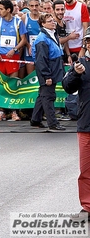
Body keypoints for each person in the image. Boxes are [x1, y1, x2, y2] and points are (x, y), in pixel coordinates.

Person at [62, 27, 90, 217]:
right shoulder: (80, 64)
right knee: (86, 170)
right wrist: (75, 73)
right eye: (89, 41)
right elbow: (67, 87)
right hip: (86, 125)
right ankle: (87, 207)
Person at [0, 0, 27, 121]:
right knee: (1, 84)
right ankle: (1, 111)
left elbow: (23, 39)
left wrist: (15, 49)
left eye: (1, 9)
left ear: (8, 10)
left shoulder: (18, 22)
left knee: (13, 84)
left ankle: (14, 111)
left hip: (13, 57)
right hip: (0, 57)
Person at [30, 13, 65, 131]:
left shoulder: (51, 34)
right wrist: (47, 76)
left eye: (53, 21)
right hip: (48, 69)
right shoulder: (42, 39)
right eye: (50, 21)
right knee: (49, 96)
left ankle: (35, 119)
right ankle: (52, 122)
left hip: (53, 67)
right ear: (43, 24)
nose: (53, 22)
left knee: (43, 95)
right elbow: (41, 60)